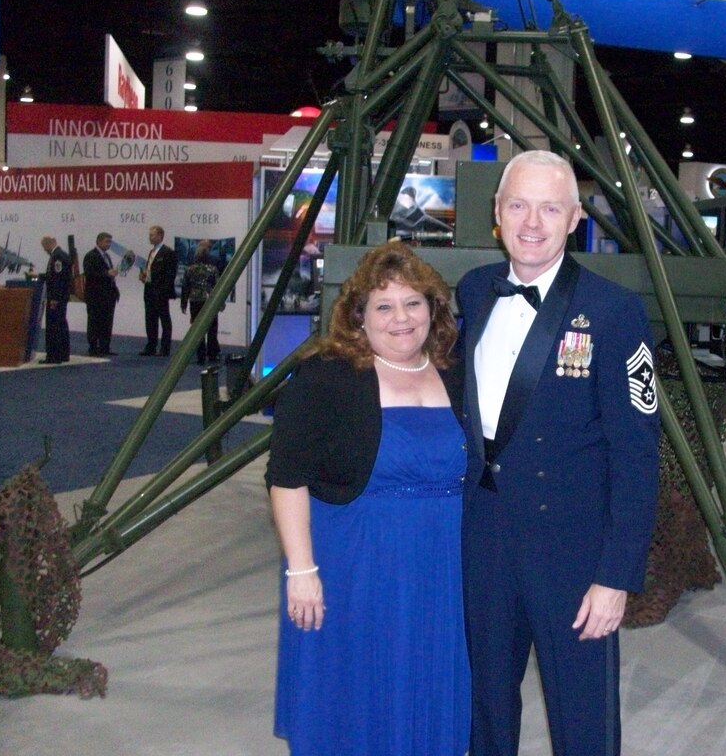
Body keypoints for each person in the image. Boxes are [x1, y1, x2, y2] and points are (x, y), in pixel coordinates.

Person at [456, 150, 660, 756]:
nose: (532, 223)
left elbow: (637, 456)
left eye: (550, 208)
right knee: (485, 704)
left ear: (575, 219)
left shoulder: (614, 312)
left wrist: (615, 577)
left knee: (583, 715)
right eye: (518, 205)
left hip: (574, 550)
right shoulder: (473, 292)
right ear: (497, 214)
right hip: (485, 536)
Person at [265, 241, 469, 755]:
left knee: (430, 674)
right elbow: (287, 475)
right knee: (356, 685)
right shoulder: (326, 375)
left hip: (443, 566)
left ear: (433, 309)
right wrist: (301, 569)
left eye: (413, 303)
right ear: (359, 317)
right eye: (384, 306)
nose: (401, 318)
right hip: (356, 565)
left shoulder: (457, 372)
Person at [179, 239, 221, 365]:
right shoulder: (213, 269)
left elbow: (185, 287)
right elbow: (218, 286)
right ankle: (212, 354)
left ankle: (200, 356)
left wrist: (183, 302)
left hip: (195, 300)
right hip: (210, 301)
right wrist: (220, 303)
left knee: (197, 329)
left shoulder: (189, 270)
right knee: (212, 328)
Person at [138, 225, 178, 356]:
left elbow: (170, 274)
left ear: (160, 236)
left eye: (152, 235)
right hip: (149, 290)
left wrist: (163, 290)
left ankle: (165, 348)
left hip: (161, 292)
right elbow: (152, 271)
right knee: (150, 319)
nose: (150, 237)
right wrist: (145, 276)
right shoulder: (152, 252)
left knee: (164, 319)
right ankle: (151, 346)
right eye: (150, 235)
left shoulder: (168, 252)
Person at [82, 232, 120, 357]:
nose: (108, 244)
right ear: (98, 241)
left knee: (107, 322)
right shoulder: (90, 256)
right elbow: (89, 274)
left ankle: (105, 346)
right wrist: (107, 274)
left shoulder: (107, 256)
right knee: (94, 322)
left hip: (108, 295)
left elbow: (109, 275)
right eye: (106, 241)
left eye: (110, 242)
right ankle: (93, 347)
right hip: (95, 295)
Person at [35, 236, 72, 364]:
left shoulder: (57, 257)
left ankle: (54, 356)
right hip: (62, 296)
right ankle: (63, 354)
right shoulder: (62, 254)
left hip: (56, 297)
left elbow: (57, 279)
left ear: (48, 244)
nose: (44, 250)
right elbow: (54, 276)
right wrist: (40, 275)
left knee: (53, 326)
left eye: (44, 247)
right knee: (61, 324)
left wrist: (54, 298)